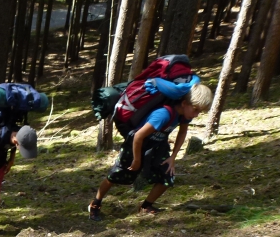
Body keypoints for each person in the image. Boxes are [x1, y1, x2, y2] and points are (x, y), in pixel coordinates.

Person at [88, 82, 213, 221]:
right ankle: (95, 203)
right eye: (195, 110)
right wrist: (137, 160)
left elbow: (182, 132)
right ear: (184, 103)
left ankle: (146, 206)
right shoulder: (164, 114)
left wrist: (173, 157)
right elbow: (138, 136)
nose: (196, 115)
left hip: (158, 145)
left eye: (199, 112)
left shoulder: (184, 116)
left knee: (167, 176)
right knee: (116, 174)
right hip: (136, 144)